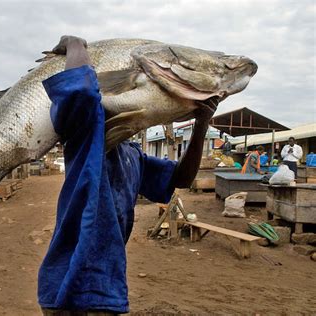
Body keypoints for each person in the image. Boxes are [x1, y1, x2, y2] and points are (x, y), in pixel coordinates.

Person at [38, 35, 218, 315]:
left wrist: (201, 126)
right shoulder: (85, 137)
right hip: (67, 285)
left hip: (106, 287)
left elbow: (180, 179)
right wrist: (75, 44)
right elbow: (82, 93)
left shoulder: (133, 157)